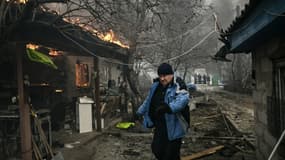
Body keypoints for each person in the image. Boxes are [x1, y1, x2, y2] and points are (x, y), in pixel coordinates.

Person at [136, 63, 190, 160]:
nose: (162, 79)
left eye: (165, 76)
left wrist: (168, 108)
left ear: (171, 74)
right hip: (160, 125)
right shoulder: (156, 86)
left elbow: (183, 99)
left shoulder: (178, 84)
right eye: (160, 76)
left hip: (174, 126)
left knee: (170, 154)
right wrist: (140, 112)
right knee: (156, 149)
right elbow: (148, 100)